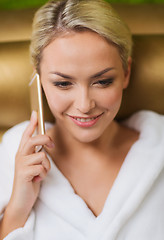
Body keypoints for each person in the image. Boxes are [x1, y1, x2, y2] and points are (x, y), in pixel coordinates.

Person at [0, 0, 164, 239]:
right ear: (39, 81)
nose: (85, 105)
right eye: (63, 84)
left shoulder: (159, 146)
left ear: (126, 73)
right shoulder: (13, 155)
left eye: (103, 81)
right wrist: (18, 205)